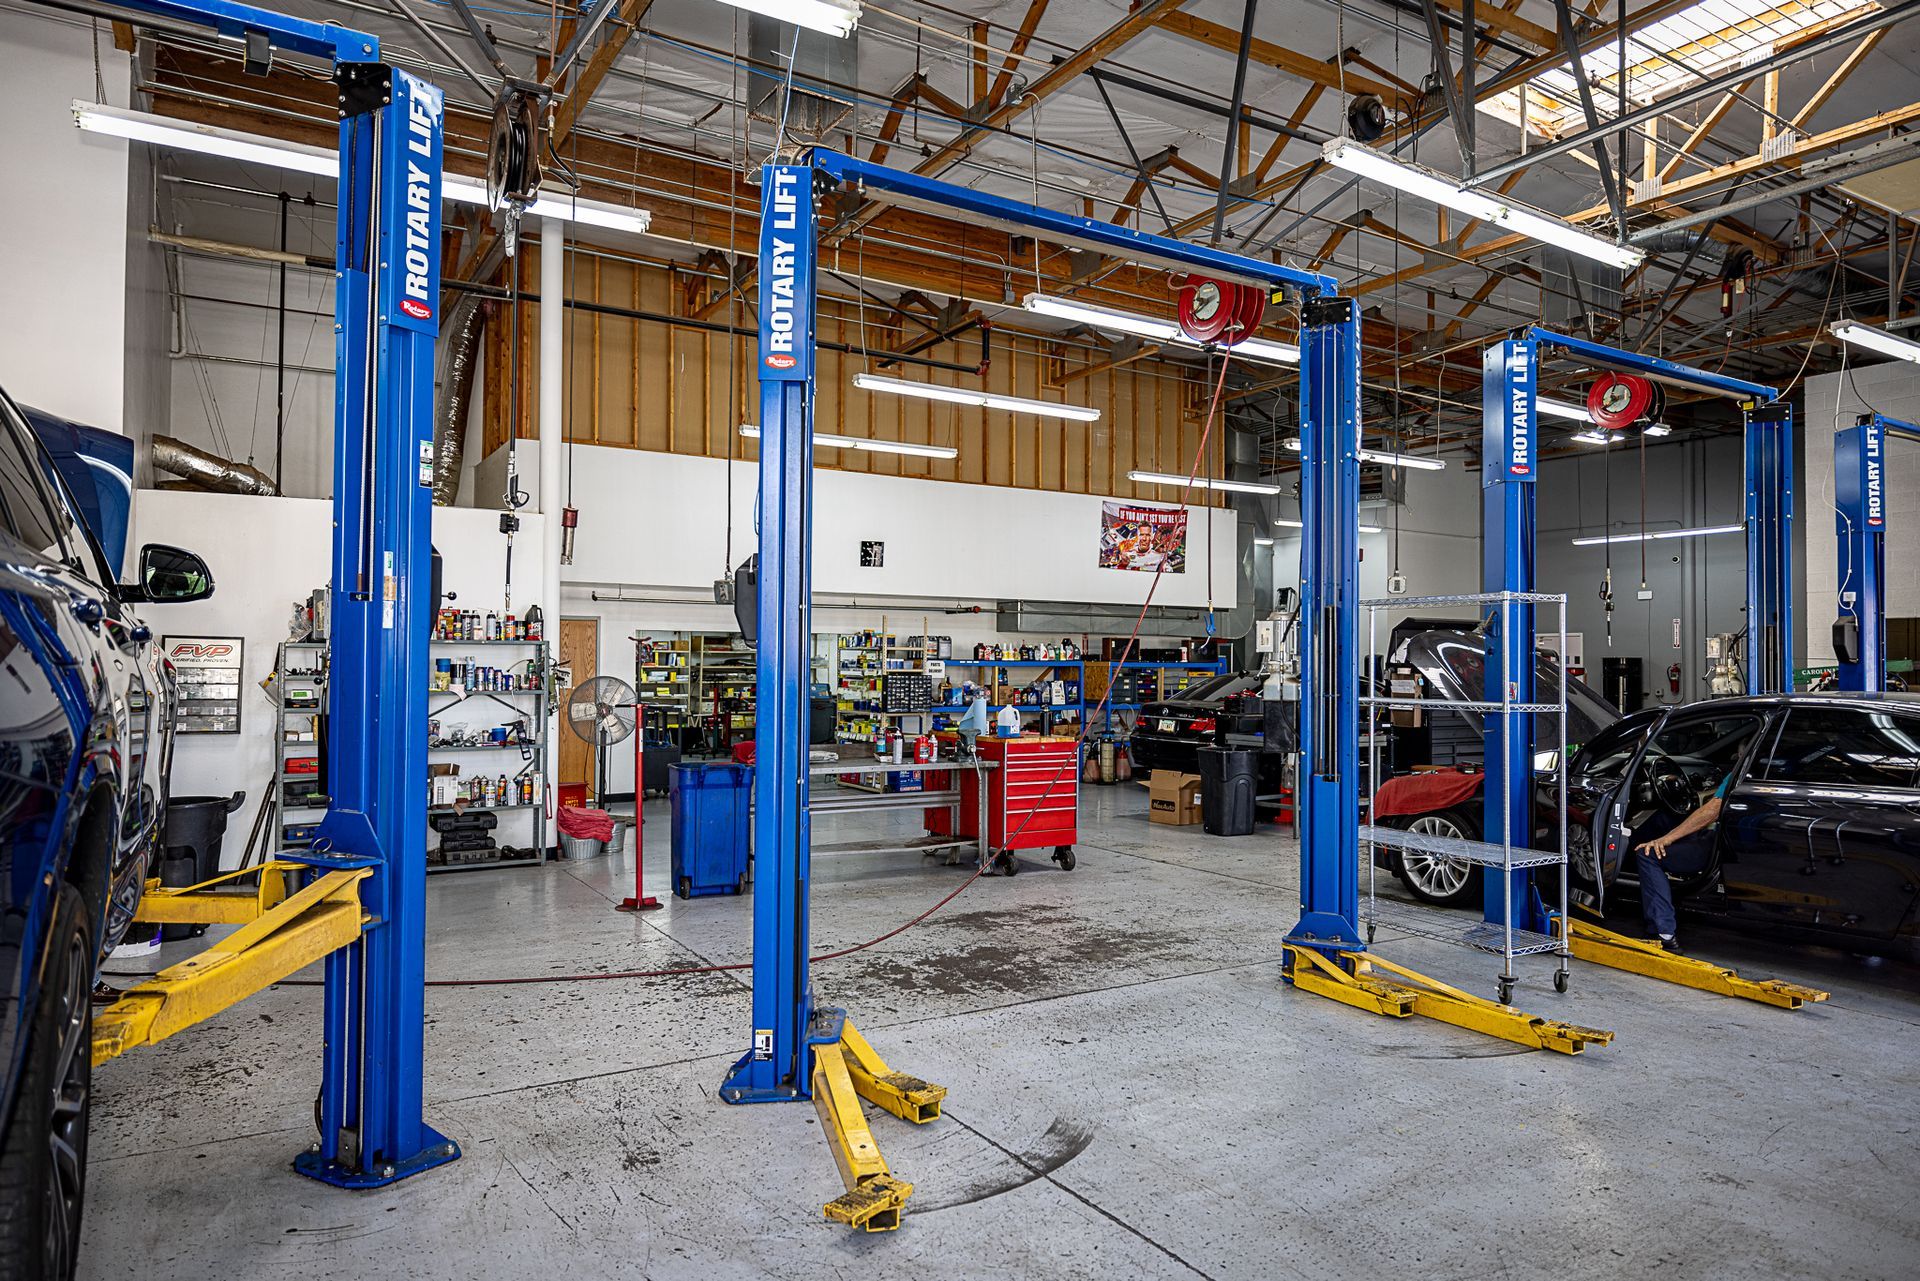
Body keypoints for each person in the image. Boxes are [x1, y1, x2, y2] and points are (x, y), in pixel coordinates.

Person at [1633, 770, 1735, 954]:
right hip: (1722, 837)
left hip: (1719, 842)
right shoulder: (1762, 767)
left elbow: (1713, 810)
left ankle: (1663, 933)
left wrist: (1666, 839)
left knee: (1647, 853)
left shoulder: (1739, 772)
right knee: (1664, 820)